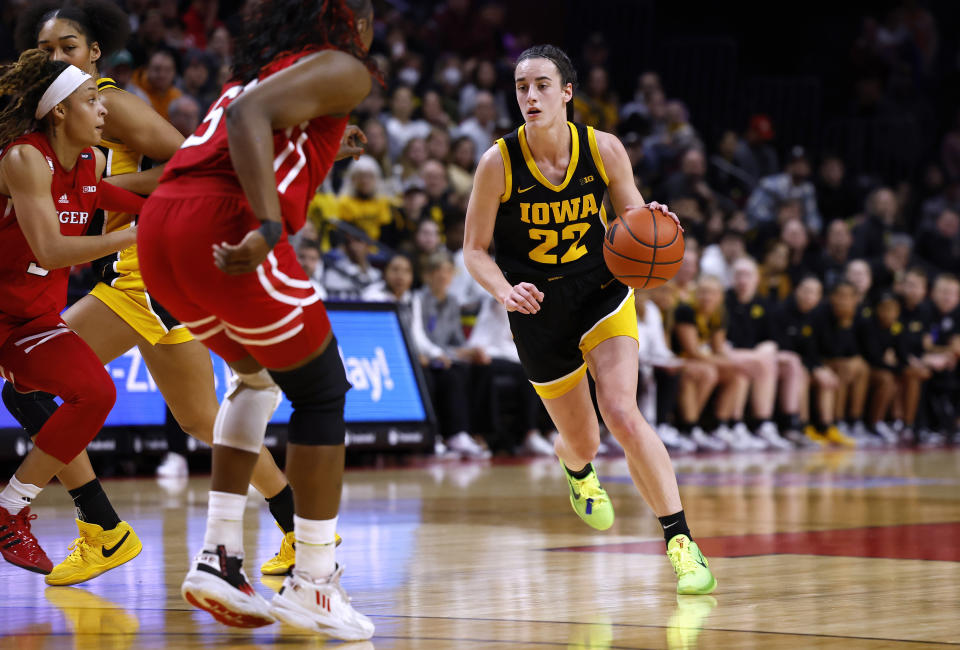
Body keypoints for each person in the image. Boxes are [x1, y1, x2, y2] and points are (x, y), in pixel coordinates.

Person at [10, 0, 300, 586]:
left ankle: (102, 528)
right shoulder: (54, 119)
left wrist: (96, 185)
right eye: (45, 50)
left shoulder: (104, 102)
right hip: (142, 276)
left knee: (32, 389)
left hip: (143, 279)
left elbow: (186, 164)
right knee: (202, 422)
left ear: (94, 52)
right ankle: (300, 525)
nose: (56, 57)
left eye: (68, 46)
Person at [136, 0, 376, 638]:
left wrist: (329, 150)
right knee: (322, 392)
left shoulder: (263, 71)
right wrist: (270, 228)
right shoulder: (347, 67)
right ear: (349, 21)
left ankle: (219, 558)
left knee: (256, 379)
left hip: (162, 232)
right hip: (226, 227)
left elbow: (245, 130)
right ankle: (315, 584)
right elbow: (250, 119)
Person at [463, 44, 716, 595]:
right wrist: (505, 290)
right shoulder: (497, 163)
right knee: (583, 442)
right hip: (536, 305)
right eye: (521, 87)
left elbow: (632, 218)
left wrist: (656, 223)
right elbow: (475, 250)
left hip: (601, 288)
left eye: (542, 85)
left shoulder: (603, 149)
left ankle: (681, 542)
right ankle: (576, 469)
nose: (530, 96)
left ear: (568, 92)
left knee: (622, 412)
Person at [0, 51, 143, 574]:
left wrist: (183, 210)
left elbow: (106, 196)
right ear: (59, 110)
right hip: (6, 315)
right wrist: (132, 234)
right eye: (91, 100)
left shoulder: (89, 163)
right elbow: (50, 251)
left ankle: (8, 508)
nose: (103, 110)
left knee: (96, 391)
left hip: (31, 321)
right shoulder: (23, 158)